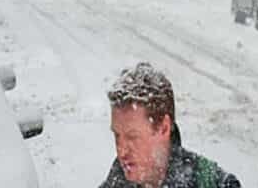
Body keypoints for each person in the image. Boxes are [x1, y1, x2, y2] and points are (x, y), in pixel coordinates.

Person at [99, 63, 241, 188]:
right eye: (117, 135)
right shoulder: (116, 182)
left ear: (164, 128)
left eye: (132, 137)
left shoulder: (213, 183)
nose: (121, 151)